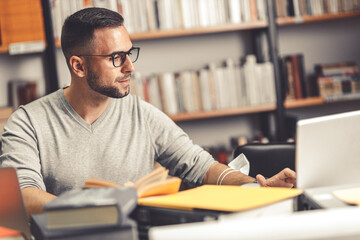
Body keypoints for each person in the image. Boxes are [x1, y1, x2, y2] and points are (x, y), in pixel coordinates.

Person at [0, 7, 296, 219]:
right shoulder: (27, 123)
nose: (129, 67)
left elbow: (197, 163)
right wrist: (96, 209)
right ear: (78, 66)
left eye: (129, 53)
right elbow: (23, 196)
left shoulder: (140, 113)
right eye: (116, 58)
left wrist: (251, 185)